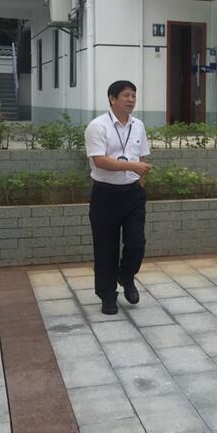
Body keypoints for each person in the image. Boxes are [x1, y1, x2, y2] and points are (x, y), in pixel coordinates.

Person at [85, 80, 152, 315]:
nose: (131, 99)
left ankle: (126, 275)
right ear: (112, 99)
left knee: (136, 242)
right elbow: (99, 160)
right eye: (126, 95)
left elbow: (142, 158)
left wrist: (140, 185)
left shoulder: (138, 125)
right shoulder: (97, 126)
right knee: (105, 248)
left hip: (133, 194)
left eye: (133, 95)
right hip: (105, 194)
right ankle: (107, 296)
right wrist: (132, 166)